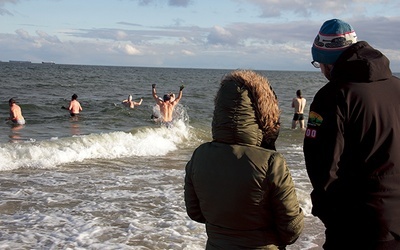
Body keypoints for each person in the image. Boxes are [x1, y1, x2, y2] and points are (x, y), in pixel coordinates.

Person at [304, 19, 400, 250]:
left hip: (359, 227)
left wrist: (330, 215)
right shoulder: (397, 87)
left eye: (319, 64)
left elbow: (322, 166)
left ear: (329, 62)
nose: (321, 71)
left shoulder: (333, 96)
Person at [184, 70, 304, 249]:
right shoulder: (271, 161)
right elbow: (291, 229)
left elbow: (195, 213)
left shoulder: (199, 155)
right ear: (265, 111)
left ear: (219, 109)